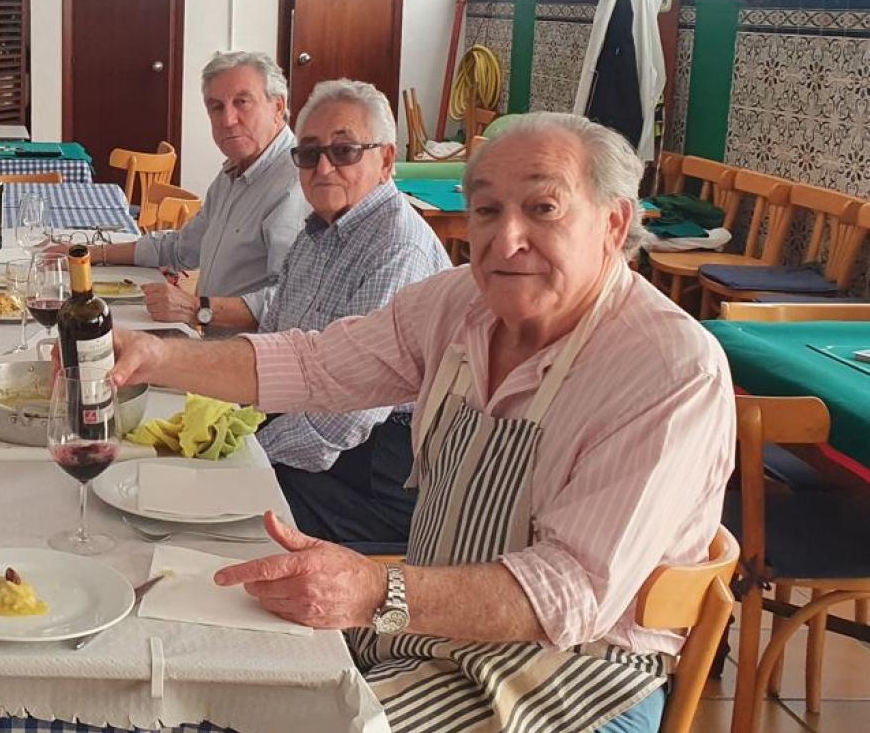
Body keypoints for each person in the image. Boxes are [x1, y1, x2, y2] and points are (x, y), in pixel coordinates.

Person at [105, 113, 734, 733]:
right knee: (185, 662)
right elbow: (318, 364)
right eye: (487, 211)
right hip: (428, 630)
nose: (507, 238)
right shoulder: (461, 302)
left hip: (577, 676)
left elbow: (571, 590)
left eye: (543, 208)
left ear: (613, 222)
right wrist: (157, 356)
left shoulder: (667, 368)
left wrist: (378, 589)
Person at [230, 79, 449, 550]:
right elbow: (276, 341)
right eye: (309, 154)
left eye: (345, 150)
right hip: (312, 437)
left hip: (377, 475)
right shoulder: (316, 231)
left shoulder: (397, 246)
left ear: (386, 160)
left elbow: (348, 419)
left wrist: (246, 456)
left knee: (229, 524)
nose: (323, 166)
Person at [49, 51, 307, 334]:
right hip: (213, 344)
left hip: (254, 363)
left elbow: (291, 300)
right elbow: (181, 247)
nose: (228, 119)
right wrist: (92, 253)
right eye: (216, 107)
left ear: (278, 107)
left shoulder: (297, 183)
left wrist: (196, 307)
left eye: (242, 102)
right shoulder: (233, 173)